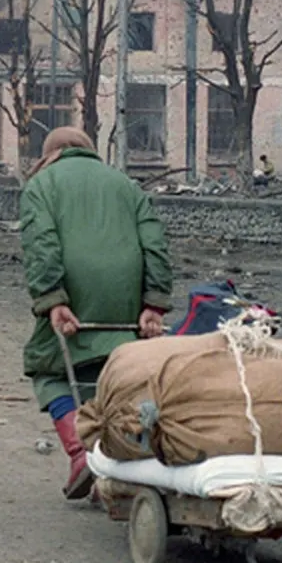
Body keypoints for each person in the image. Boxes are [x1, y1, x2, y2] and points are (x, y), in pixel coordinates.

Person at [19, 127, 173, 501]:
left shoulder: (41, 185)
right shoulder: (126, 185)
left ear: (50, 154)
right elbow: (154, 242)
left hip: (74, 291)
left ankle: (81, 453)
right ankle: (134, 457)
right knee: (120, 370)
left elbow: (42, 243)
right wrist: (153, 302)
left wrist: (53, 300)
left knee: (48, 367)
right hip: (126, 295)